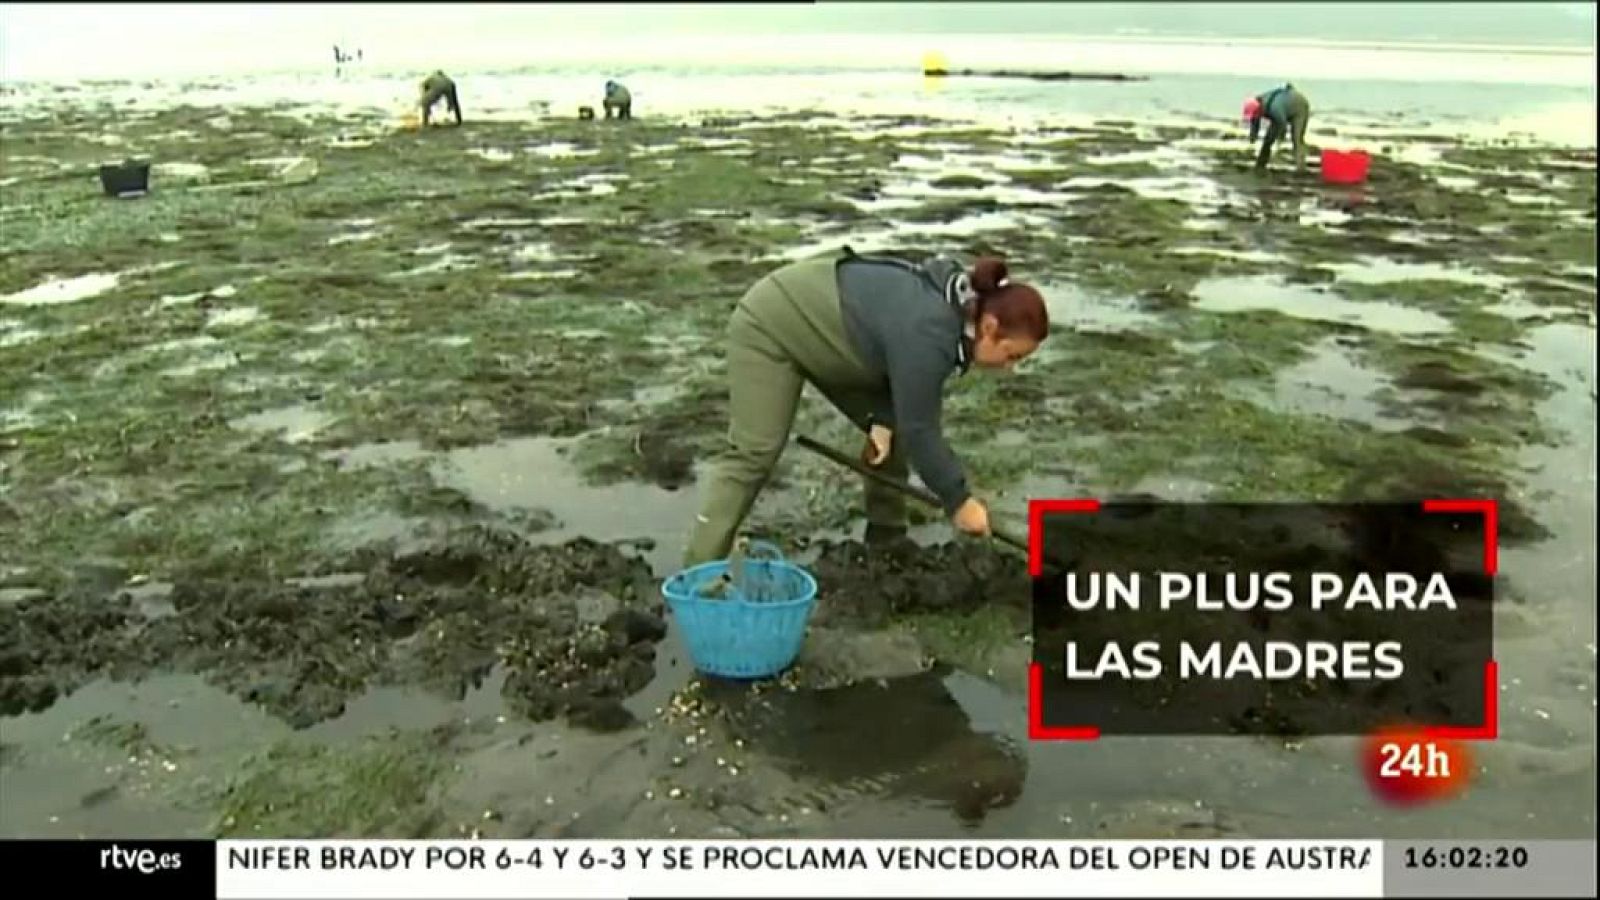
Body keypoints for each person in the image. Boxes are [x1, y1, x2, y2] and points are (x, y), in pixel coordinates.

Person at [682, 247, 1050, 567]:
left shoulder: (959, 308)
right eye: (1011, 355)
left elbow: (906, 398)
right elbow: (922, 430)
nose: (1009, 367)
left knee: (894, 431)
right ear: (989, 326)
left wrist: (882, 419)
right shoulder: (931, 332)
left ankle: (886, 536)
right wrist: (959, 500)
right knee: (755, 452)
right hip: (773, 323)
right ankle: (699, 573)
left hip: (845, 337)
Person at [1244, 83, 1310, 171]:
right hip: (1284, 106)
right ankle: (1261, 164)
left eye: (1255, 114)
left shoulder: (1274, 108)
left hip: (1299, 106)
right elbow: (1255, 121)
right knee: (1267, 140)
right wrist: (1253, 136)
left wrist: (1280, 139)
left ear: (1259, 109)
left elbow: (1282, 123)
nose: (1255, 116)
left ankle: (1301, 167)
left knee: (1296, 138)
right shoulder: (1255, 105)